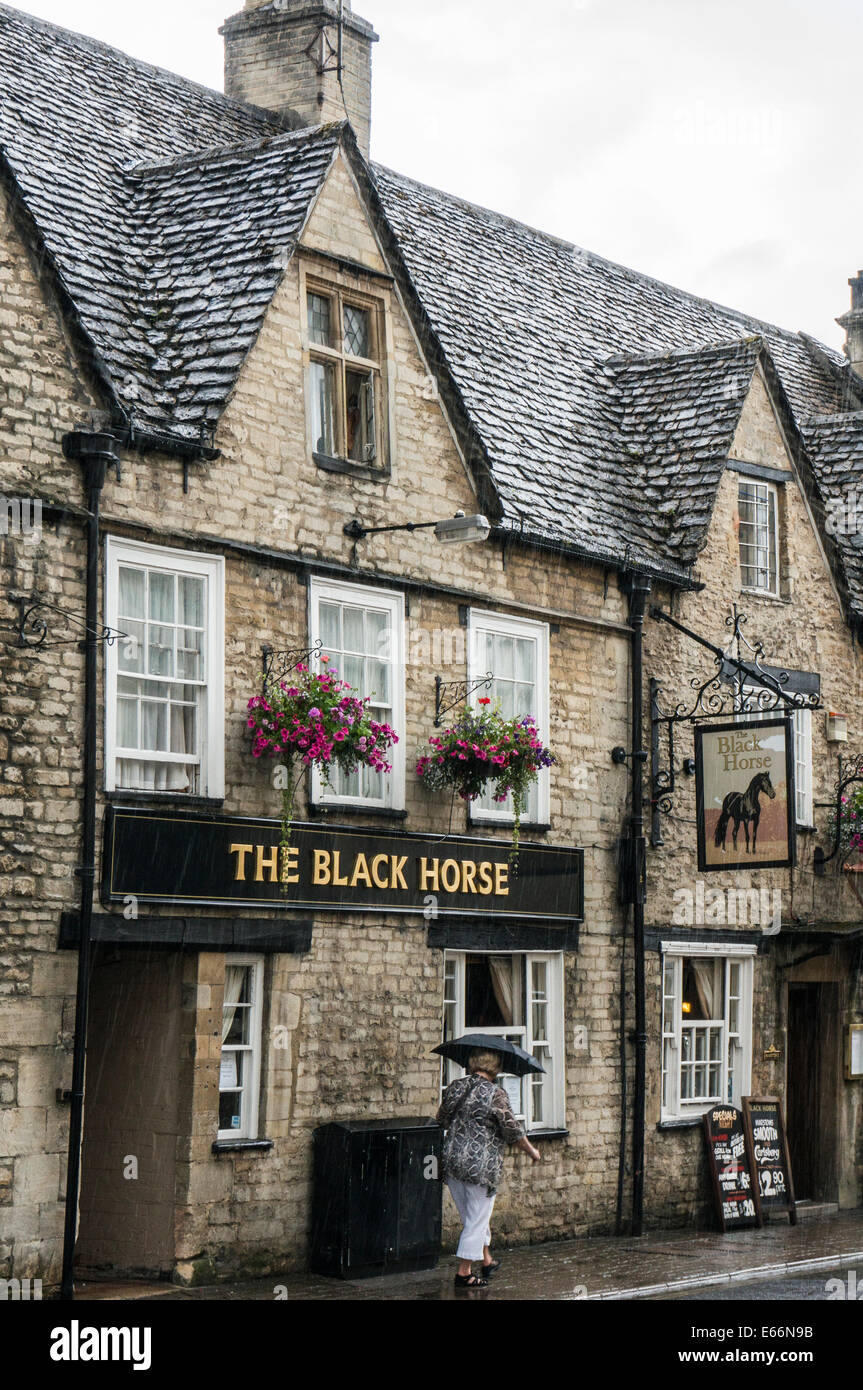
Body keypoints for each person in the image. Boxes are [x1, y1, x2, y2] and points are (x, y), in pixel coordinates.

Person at [436, 1048, 541, 1288]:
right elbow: (513, 1130)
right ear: (496, 1067)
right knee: (476, 1221)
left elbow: (440, 1119)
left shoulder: (454, 1087)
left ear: (472, 1063)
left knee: (472, 1218)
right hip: (479, 1167)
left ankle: (487, 1260)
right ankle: (464, 1273)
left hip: (452, 1163)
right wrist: (532, 1151)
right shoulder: (496, 1094)